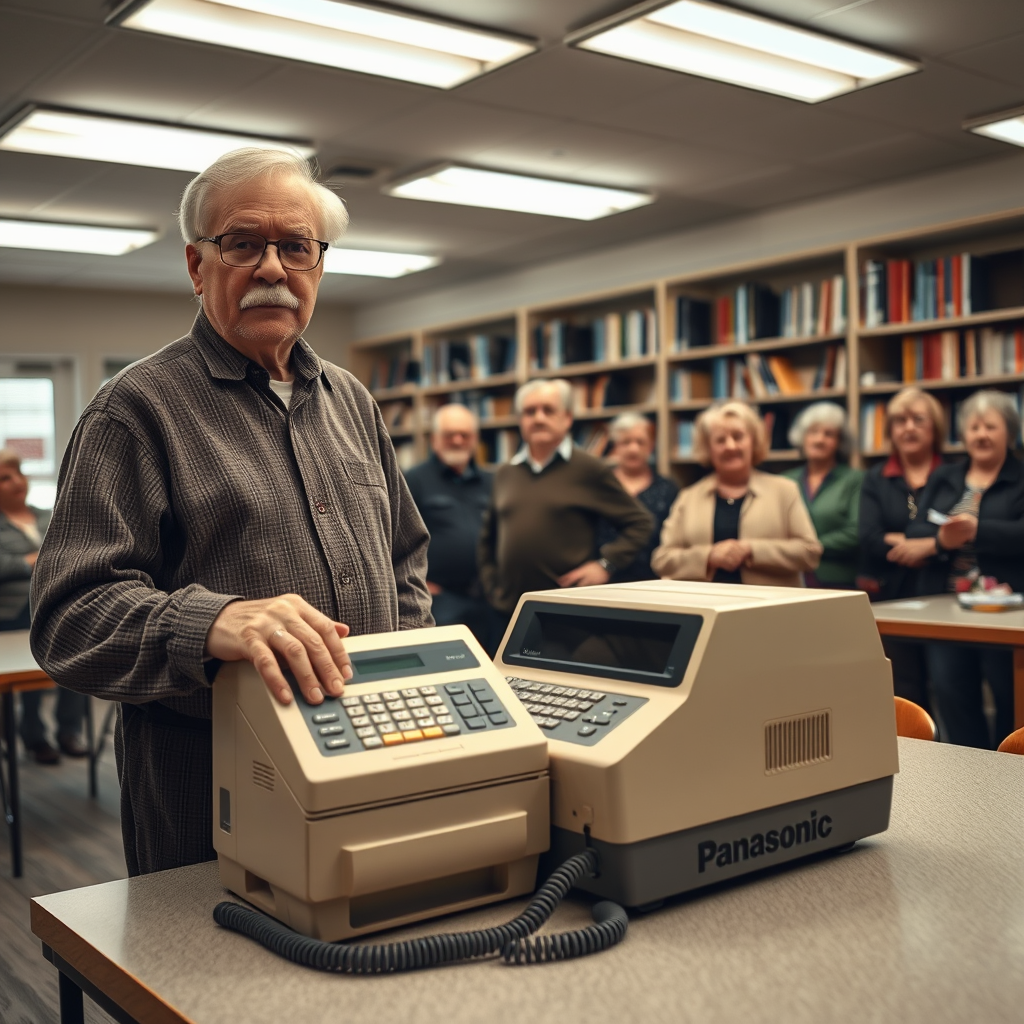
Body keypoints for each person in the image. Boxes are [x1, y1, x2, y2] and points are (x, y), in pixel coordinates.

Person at [30, 148, 431, 875]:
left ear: (319, 265)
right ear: (197, 265)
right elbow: (69, 617)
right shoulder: (135, 409)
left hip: (370, 763)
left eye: (296, 247)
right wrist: (209, 622)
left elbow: (403, 561)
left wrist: (411, 682)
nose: (272, 268)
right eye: (243, 243)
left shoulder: (352, 401)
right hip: (212, 791)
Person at [477, 379, 653, 637]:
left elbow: (640, 522)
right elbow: (488, 537)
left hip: (564, 613)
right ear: (520, 420)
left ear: (567, 418)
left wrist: (606, 564)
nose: (538, 418)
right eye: (530, 411)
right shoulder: (505, 472)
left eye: (548, 410)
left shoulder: (589, 469)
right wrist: (491, 585)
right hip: (506, 612)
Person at [907, 389, 1024, 748]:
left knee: (1011, 699)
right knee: (952, 694)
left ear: (1010, 431)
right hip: (946, 609)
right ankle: (967, 773)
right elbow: (916, 531)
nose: (981, 435)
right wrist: (943, 540)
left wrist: (978, 531)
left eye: (991, 426)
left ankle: (1009, 771)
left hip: (1006, 613)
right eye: (974, 427)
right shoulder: (945, 476)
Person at [652, 401, 821, 586]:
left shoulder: (785, 490)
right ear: (708, 448)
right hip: (705, 601)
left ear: (753, 441)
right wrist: (708, 556)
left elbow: (810, 553)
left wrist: (751, 550)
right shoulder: (688, 497)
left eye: (738, 437)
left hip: (771, 602)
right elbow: (662, 560)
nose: (730, 446)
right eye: (720, 440)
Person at [858, 388, 945, 713]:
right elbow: (869, 538)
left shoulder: (952, 475)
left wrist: (908, 541)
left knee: (949, 685)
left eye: (918, 419)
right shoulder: (876, 478)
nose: (908, 428)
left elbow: (961, 537)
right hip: (891, 596)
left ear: (934, 427)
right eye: (899, 420)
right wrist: (926, 544)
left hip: (943, 595)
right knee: (905, 688)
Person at [0, 450, 87, 763]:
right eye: (4, 478)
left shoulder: (48, 515)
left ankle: (69, 731)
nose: (16, 482)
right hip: (14, 613)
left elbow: (73, 550)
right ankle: (34, 738)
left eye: (18, 474)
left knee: (79, 658)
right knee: (29, 677)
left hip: (57, 605)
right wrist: (30, 562)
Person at [404, 404, 492, 648]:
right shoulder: (414, 480)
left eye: (465, 435)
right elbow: (395, 539)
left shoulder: (491, 482)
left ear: (475, 440)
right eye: (449, 434)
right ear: (434, 439)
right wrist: (417, 584)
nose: (457, 440)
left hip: (488, 599)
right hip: (440, 599)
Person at [782, 402, 862, 588]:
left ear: (840, 442)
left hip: (837, 579)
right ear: (802, 437)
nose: (819, 439)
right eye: (813, 432)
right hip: (789, 577)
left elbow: (856, 531)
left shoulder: (855, 480)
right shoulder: (784, 480)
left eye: (829, 434)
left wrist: (811, 547)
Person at [595, 412, 678, 582]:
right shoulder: (598, 486)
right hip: (601, 579)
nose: (633, 449)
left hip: (653, 579)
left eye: (640, 442)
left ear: (651, 446)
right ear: (615, 446)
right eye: (626, 442)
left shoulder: (667, 489)